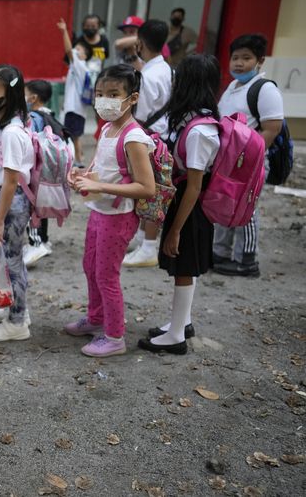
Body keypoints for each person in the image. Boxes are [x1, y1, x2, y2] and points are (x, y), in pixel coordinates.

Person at [66, 65, 156, 357]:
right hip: (99, 210)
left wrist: (103, 187)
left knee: (106, 275)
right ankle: (95, 319)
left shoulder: (134, 138)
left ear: (132, 98)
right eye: (100, 93)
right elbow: (98, 167)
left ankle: (115, 336)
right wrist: (81, 175)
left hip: (118, 217)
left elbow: (146, 187)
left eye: (113, 94)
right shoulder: (107, 128)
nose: (104, 100)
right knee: (90, 267)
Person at [139, 54, 222, 355]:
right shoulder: (197, 121)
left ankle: (176, 336)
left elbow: (195, 185)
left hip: (191, 206)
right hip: (189, 201)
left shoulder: (200, 131)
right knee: (186, 266)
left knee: (184, 267)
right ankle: (181, 322)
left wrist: (175, 229)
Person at [212, 34, 284, 278]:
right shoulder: (233, 87)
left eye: (246, 58)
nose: (239, 63)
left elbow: (271, 128)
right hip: (228, 160)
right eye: (235, 58)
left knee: (247, 207)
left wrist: (251, 159)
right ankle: (220, 253)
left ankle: (246, 261)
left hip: (251, 163)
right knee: (225, 203)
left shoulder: (264, 89)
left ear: (260, 61)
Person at [0, 65, 35, 342]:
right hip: (4, 201)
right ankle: (17, 312)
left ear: (9, 95)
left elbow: (11, 181)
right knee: (12, 260)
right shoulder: (2, 128)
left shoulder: (11, 133)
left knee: (13, 262)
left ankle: (17, 322)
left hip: (11, 204)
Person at [123, 19, 173, 269]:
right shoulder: (167, 70)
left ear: (140, 43)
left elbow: (139, 113)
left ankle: (149, 245)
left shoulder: (146, 76)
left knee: (149, 190)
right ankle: (144, 239)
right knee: (153, 188)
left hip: (148, 137)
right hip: (163, 135)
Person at [23, 79, 67, 267]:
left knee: (32, 209)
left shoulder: (34, 117)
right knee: (43, 206)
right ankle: (45, 240)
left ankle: (36, 243)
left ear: (33, 97)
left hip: (37, 170)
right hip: (50, 171)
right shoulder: (51, 115)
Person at [58, 17, 93, 165]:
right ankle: (79, 161)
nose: (74, 50)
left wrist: (64, 31)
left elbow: (67, 50)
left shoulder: (79, 65)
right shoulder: (82, 69)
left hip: (74, 111)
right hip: (76, 110)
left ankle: (77, 163)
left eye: (78, 49)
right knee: (75, 136)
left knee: (73, 137)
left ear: (84, 56)